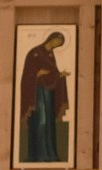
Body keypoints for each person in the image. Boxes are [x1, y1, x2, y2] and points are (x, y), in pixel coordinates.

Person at [18, 31, 70, 162]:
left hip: (49, 93)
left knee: (49, 123)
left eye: (60, 44)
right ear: (51, 38)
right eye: (57, 42)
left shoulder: (50, 55)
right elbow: (27, 75)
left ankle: (50, 154)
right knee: (40, 121)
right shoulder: (34, 53)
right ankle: (37, 155)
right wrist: (37, 73)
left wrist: (59, 75)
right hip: (37, 94)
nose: (57, 45)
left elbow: (52, 73)